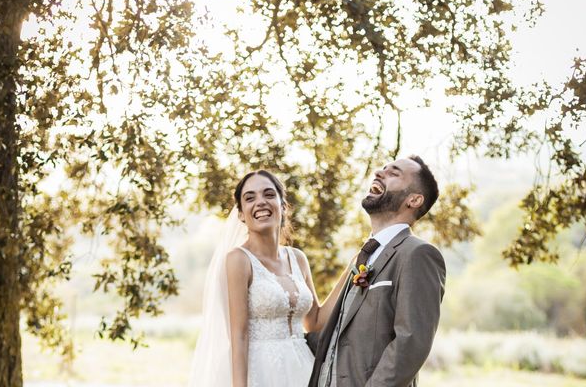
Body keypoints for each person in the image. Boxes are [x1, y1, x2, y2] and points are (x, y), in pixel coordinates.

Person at [189, 170, 351, 387]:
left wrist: (351, 269)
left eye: (269, 194)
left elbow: (314, 321)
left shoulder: (298, 258)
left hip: (304, 368)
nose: (260, 202)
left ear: (283, 205)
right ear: (241, 214)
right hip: (262, 373)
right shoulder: (238, 260)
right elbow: (239, 336)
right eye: (250, 198)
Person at [309, 155, 446, 387]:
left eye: (394, 173)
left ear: (413, 200)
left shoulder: (418, 254)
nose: (379, 173)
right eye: (382, 169)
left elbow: (410, 343)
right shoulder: (363, 256)